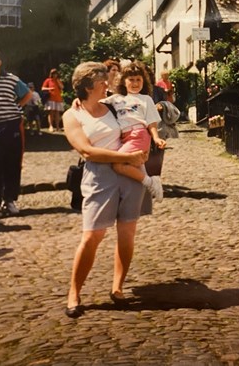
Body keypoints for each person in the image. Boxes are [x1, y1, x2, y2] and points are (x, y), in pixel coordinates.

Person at [63, 61, 150, 318]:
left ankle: (117, 288)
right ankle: (74, 293)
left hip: (131, 174)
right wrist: (125, 158)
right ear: (89, 86)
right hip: (100, 177)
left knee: (127, 233)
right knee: (92, 236)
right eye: (103, 82)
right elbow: (86, 151)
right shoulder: (73, 115)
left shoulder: (113, 104)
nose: (108, 85)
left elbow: (142, 108)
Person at [101, 61, 166, 202]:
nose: (135, 83)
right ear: (124, 81)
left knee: (118, 164)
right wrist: (78, 101)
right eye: (131, 80)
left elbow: (151, 122)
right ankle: (147, 190)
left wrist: (156, 138)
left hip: (139, 135)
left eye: (138, 80)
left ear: (144, 81)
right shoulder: (116, 98)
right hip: (124, 137)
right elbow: (96, 103)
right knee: (137, 166)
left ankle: (151, 183)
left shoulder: (146, 99)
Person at [0, 49, 32, 218]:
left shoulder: (11, 79)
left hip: (11, 126)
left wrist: (17, 107)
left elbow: (27, 94)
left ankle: (9, 200)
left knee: (12, 163)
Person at [41, 68, 64, 132]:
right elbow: (43, 88)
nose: (55, 75)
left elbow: (62, 87)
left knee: (57, 113)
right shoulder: (48, 80)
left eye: (56, 73)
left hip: (58, 98)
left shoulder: (58, 80)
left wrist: (58, 81)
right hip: (51, 98)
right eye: (53, 73)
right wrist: (50, 88)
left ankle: (57, 127)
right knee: (51, 113)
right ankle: (50, 126)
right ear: (51, 74)